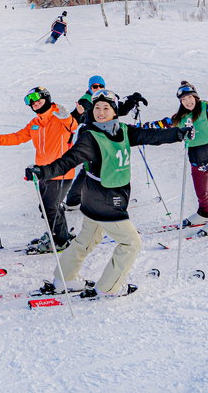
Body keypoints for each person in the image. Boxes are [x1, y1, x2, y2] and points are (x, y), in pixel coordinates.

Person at [26, 89, 191, 299]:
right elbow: (69, 160)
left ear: (114, 111)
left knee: (86, 239)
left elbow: (149, 135)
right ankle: (109, 287)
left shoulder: (122, 130)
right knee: (131, 243)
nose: (101, 112)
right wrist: (43, 171)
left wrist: (178, 134)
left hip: (95, 198)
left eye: (106, 108)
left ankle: (64, 279)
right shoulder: (90, 136)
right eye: (97, 108)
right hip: (105, 200)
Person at [142, 61, 208, 230]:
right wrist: (139, 128)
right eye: (184, 99)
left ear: (195, 97)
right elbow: (161, 125)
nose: (188, 101)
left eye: (190, 97)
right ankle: (204, 213)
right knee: (201, 192)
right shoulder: (180, 117)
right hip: (197, 160)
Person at [0, 86, 77, 253]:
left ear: (47, 97)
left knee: (49, 207)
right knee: (49, 207)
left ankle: (60, 241)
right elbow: (18, 137)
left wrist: (67, 118)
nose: (34, 103)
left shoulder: (59, 117)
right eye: (30, 101)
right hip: (42, 172)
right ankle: (60, 234)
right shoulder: (35, 123)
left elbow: (72, 126)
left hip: (61, 171)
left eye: (37, 99)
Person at [64, 75, 107, 209]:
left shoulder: (104, 98)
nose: (98, 89)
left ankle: (75, 199)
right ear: (90, 88)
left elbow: (117, 111)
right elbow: (74, 119)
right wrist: (79, 112)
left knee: (98, 166)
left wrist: (130, 102)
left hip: (101, 136)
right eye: (95, 86)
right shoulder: (85, 100)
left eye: (101, 86)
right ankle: (74, 199)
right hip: (88, 136)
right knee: (91, 167)